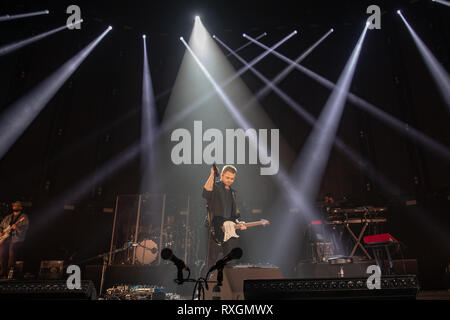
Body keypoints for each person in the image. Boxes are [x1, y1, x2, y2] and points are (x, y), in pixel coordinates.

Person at [202, 165, 246, 271]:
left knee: (231, 259)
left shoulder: (233, 193)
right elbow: (205, 193)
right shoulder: (215, 187)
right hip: (215, 229)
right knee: (212, 260)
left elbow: (234, 215)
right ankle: (207, 284)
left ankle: (227, 284)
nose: (230, 180)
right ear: (221, 175)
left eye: (232, 178)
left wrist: (239, 223)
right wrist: (212, 174)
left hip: (229, 230)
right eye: (227, 177)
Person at [0, 201, 29, 278]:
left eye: (17, 206)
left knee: (12, 255)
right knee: (2, 254)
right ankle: (3, 272)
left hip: (16, 239)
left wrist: (17, 228)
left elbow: (25, 229)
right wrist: (1, 232)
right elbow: (1, 226)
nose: (15, 207)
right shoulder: (8, 217)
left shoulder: (24, 217)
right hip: (5, 238)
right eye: (14, 206)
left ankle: (10, 273)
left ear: (20, 207)